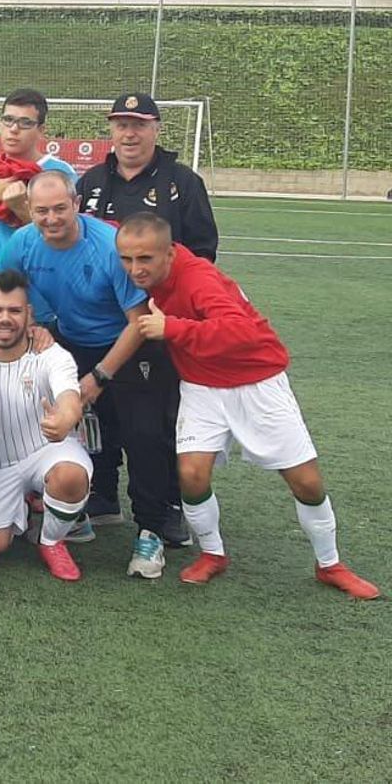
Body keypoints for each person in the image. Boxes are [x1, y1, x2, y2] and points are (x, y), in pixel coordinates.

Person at [116, 214, 379, 599]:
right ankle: (213, 553)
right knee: (191, 474)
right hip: (202, 386)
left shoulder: (198, 279)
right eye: (126, 259)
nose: (134, 269)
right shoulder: (145, 271)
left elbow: (242, 332)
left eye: (145, 259)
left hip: (256, 381)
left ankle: (330, 564)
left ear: (170, 253)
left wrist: (172, 328)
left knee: (305, 481)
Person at [4, 171, 183, 576]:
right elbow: (7, 286)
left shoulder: (107, 247)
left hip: (128, 342)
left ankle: (151, 530)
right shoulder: (23, 242)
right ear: (29, 210)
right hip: (72, 341)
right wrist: (36, 321)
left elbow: (137, 322)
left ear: (77, 205)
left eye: (60, 209)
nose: (51, 219)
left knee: (142, 433)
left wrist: (100, 377)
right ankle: (90, 504)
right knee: (77, 426)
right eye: (42, 211)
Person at [0, 271, 92, 581]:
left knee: (70, 477)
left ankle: (51, 540)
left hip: (44, 451)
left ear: (29, 314)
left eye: (14, 311)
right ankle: (24, 506)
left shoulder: (51, 354)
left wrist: (64, 418)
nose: (4, 319)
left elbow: (70, 398)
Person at [0, 88, 77, 320]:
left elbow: (67, 237)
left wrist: (22, 209)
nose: (14, 129)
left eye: (24, 123)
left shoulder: (61, 173)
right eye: (8, 120)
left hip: (38, 299)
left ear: (41, 130)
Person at [77, 94, 217, 261]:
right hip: (103, 286)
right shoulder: (91, 180)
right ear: (112, 131)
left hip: (164, 286)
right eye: (122, 126)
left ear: (157, 130)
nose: (129, 134)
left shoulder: (184, 181)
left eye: (139, 125)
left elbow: (203, 251)